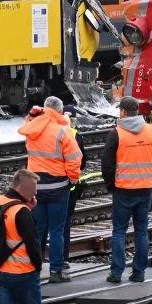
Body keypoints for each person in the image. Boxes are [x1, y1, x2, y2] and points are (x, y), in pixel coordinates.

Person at [18, 96, 82, 283]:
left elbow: (27, 124)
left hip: (35, 186)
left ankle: (33, 271)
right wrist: (73, 179)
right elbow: (74, 158)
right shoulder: (63, 131)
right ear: (60, 111)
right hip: (58, 187)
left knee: (38, 230)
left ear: (45, 110)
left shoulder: (33, 128)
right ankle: (55, 271)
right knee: (56, 231)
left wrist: (32, 115)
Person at [102, 96, 152, 284]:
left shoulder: (117, 133)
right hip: (145, 189)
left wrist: (111, 185)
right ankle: (139, 273)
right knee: (142, 231)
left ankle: (116, 273)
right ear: (137, 111)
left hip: (123, 190)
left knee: (119, 231)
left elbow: (107, 164)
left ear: (122, 112)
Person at [0, 169, 44, 304]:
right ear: (21, 188)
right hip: (23, 273)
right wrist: (38, 267)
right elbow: (33, 244)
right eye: (33, 189)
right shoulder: (22, 212)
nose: (35, 193)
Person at [50, 104, 87, 276]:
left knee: (43, 226)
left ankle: (39, 259)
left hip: (46, 184)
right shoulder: (74, 135)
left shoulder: (47, 132)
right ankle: (61, 260)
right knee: (63, 226)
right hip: (67, 186)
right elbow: (82, 162)